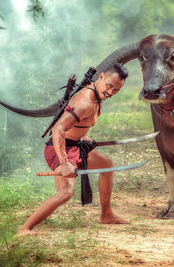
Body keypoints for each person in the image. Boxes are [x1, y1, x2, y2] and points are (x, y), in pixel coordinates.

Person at [18, 63, 129, 235]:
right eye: (109, 86)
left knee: (107, 164)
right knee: (66, 192)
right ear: (101, 77)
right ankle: (24, 228)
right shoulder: (85, 102)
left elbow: (77, 124)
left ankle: (106, 215)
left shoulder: (97, 95)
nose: (111, 92)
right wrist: (64, 163)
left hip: (75, 146)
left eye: (116, 90)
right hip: (59, 149)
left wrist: (82, 136)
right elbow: (58, 130)